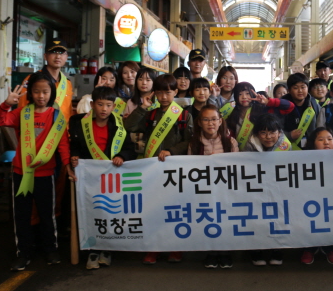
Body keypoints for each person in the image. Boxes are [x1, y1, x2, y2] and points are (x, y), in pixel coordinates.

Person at [0, 72, 71, 271]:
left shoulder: (56, 116)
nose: (41, 96)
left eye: (45, 91)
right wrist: (6, 104)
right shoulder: (21, 113)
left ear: (51, 93)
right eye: (36, 91)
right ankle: (23, 253)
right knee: (22, 215)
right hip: (20, 173)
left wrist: (67, 164)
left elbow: (62, 144)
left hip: (45, 174)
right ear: (30, 93)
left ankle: (51, 249)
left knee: (47, 214)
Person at [123, 74, 193, 265]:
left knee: (175, 209)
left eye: (168, 93)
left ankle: (175, 247)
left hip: (175, 169)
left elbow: (190, 140)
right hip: (153, 169)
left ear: (175, 92)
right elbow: (128, 126)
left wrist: (172, 151)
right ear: (154, 93)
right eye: (160, 93)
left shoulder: (183, 115)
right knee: (154, 209)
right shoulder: (151, 114)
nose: (164, 97)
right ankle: (154, 247)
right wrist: (142, 107)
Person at [68, 87, 137, 270]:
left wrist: (121, 156)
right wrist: (74, 157)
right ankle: (93, 248)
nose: (104, 109)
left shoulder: (119, 125)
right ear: (92, 105)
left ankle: (107, 248)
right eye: (100, 104)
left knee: (110, 213)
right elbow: (74, 146)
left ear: (114, 106)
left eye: (108, 105)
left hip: (111, 178)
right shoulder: (80, 123)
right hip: (90, 179)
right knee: (91, 212)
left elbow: (129, 149)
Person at [187, 105, 239, 269]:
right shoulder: (194, 143)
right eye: (206, 120)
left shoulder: (229, 142)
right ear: (199, 122)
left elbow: (237, 166)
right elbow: (190, 167)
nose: (211, 123)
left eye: (214, 119)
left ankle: (225, 253)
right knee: (208, 220)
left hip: (225, 189)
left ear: (220, 121)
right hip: (205, 190)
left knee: (225, 220)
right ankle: (211, 252)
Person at [244, 114, 290, 266]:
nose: (268, 137)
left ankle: (277, 250)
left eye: (272, 132)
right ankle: (256, 250)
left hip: (279, 189)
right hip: (255, 189)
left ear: (279, 132)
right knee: (256, 219)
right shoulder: (249, 146)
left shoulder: (286, 146)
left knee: (278, 218)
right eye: (263, 133)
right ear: (257, 134)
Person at [300, 127, 333, 265]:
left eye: (330, 139)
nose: (326, 142)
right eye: (321, 139)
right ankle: (309, 248)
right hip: (311, 201)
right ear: (313, 143)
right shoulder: (304, 161)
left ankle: (331, 249)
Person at [226, 82, 294, 151]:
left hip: (262, 152)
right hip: (242, 153)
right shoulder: (232, 115)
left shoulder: (262, 109)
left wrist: (267, 101)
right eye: (240, 94)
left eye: (247, 93)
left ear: (252, 94)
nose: (244, 97)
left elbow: (290, 106)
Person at [18, 38, 73, 121]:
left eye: (61, 53)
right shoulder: (32, 79)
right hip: (38, 128)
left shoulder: (67, 83)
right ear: (45, 56)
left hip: (63, 128)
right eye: (53, 52)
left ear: (66, 57)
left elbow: (69, 111)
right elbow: (23, 108)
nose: (58, 56)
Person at [282, 73, 326, 150]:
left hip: (310, 148)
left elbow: (320, 125)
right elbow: (274, 129)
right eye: (295, 88)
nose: (300, 91)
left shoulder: (314, 104)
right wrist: (289, 135)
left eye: (303, 87)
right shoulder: (282, 105)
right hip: (287, 148)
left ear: (307, 88)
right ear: (289, 90)